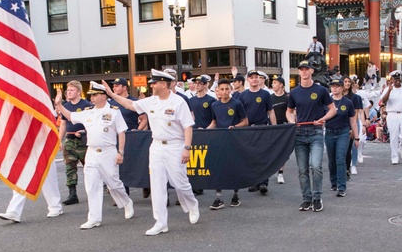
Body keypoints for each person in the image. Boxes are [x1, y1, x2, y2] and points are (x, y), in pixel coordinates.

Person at [103, 69, 199, 236]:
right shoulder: (151, 101)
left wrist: (187, 148)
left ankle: (192, 205)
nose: (151, 85)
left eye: (154, 83)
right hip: (156, 146)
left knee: (180, 183)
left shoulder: (178, 102)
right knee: (157, 184)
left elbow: (187, 127)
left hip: (175, 145)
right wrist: (111, 94)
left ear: (163, 84)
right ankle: (160, 222)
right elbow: (129, 105)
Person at [53, 82, 134, 230]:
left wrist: (120, 152)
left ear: (103, 96)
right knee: (92, 186)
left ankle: (126, 202)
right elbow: (70, 116)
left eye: (95, 95)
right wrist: (59, 104)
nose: (92, 97)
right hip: (91, 151)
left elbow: (121, 132)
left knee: (113, 183)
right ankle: (94, 218)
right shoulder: (88, 112)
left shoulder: (114, 112)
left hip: (108, 151)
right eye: (91, 95)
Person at [286, 60, 335, 212]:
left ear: (312, 71)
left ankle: (317, 197)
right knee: (302, 169)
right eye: (301, 69)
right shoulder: (294, 92)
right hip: (300, 132)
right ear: (299, 72)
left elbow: (333, 109)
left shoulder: (320, 91)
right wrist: (292, 121)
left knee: (316, 166)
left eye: (307, 69)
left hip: (316, 132)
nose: (304, 72)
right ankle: (306, 199)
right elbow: (289, 111)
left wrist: (323, 119)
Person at [207, 78, 248, 209]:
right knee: (218, 167)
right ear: (217, 90)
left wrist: (235, 126)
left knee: (234, 167)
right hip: (219, 140)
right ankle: (218, 198)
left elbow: (245, 121)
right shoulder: (214, 105)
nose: (224, 92)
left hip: (234, 140)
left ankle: (236, 195)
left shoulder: (237, 103)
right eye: (222, 89)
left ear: (230, 90)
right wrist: (203, 132)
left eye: (226, 89)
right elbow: (214, 123)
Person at [239, 70, 276, 195]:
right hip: (248, 129)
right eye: (252, 77)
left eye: (256, 77)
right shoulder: (243, 95)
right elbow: (240, 114)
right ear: (248, 80)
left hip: (262, 128)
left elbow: (271, 111)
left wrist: (274, 128)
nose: (254, 79)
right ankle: (255, 182)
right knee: (251, 157)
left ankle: (264, 182)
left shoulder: (265, 94)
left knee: (262, 156)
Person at [58, 81, 92, 206]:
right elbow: (63, 123)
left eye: (72, 90)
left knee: (89, 168)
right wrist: (59, 140)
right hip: (70, 140)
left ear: (78, 92)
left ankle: (94, 191)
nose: (69, 92)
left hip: (83, 141)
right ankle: (72, 194)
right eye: (68, 90)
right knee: (69, 168)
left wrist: (84, 131)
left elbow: (91, 122)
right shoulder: (66, 106)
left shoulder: (86, 105)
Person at [325, 76, 356, 198]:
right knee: (332, 159)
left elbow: (353, 121)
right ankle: (333, 181)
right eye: (332, 86)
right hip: (329, 132)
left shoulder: (348, 103)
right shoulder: (326, 102)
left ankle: (342, 186)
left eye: (337, 86)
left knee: (340, 158)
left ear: (342, 88)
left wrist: (357, 136)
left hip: (343, 132)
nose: (334, 88)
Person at [270, 74, 289, 184]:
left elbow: (291, 112)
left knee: (282, 150)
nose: (273, 85)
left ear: (281, 84)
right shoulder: (270, 98)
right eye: (272, 83)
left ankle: (280, 173)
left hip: (284, 127)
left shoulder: (287, 98)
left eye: (275, 83)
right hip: (272, 127)